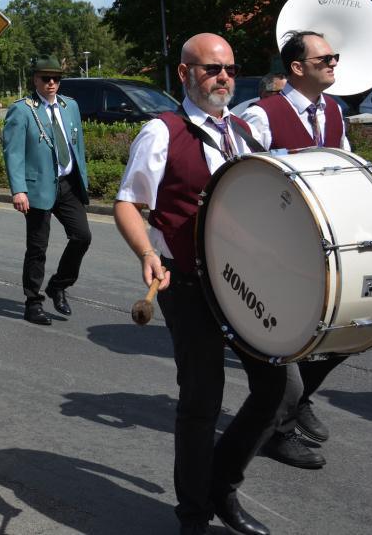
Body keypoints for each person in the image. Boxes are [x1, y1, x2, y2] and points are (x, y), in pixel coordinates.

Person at [114, 33, 287, 535]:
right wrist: (147, 252)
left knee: (276, 390)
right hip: (188, 283)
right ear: (186, 73)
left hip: (244, 282)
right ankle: (194, 514)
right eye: (212, 69)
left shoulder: (243, 132)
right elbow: (128, 201)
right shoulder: (162, 131)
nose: (224, 77)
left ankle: (221, 486)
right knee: (201, 401)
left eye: (230, 68)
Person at [243, 31, 350, 471]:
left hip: (323, 245)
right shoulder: (261, 116)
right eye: (325, 57)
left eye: (335, 56)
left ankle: (299, 397)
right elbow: (238, 179)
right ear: (297, 68)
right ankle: (280, 432)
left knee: (348, 328)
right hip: (276, 250)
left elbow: (343, 169)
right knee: (286, 342)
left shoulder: (335, 111)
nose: (334, 63)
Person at [2, 56, 92, 326]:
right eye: (46, 78)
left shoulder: (70, 106)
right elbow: (13, 152)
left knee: (82, 237)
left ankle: (58, 285)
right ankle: (33, 302)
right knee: (37, 247)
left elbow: (79, 147)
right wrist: (18, 190)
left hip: (67, 184)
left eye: (56, 79)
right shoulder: (23, 110)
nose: (52, 83)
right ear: (35, 80)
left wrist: (82, 181)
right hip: (37, 187)